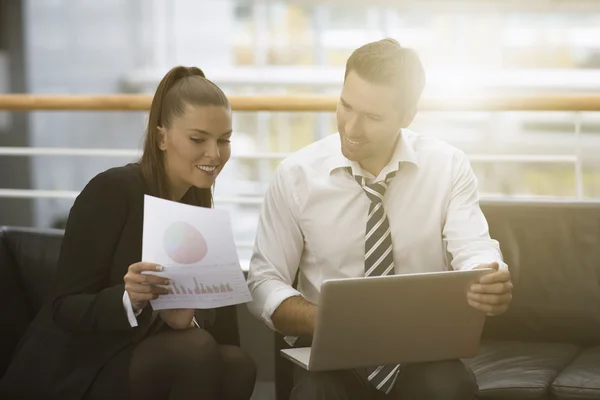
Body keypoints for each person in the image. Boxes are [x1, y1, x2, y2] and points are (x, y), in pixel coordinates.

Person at [246, 39, 513, 400]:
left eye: (372, 117)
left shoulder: (447, 166)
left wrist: (488, 276)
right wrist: (325, 318)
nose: (351, 129)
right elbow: (264, 280)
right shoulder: (296, 175)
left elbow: (474, 249)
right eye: (345, 106)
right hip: (329, 350)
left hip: (420, 347)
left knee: (450, 389)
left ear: (407, 116)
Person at [0, 66, 256, 400]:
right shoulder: (112, 191)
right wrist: (129, 299)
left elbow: (218, 324)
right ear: (161, 137)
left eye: (224, 140)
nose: (214, 153)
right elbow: (63, 306)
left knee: (238, 364)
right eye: (198, 139)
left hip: (142, 353)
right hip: (79, 363)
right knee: (194, 350)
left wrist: (187, 318)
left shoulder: (198, 203)